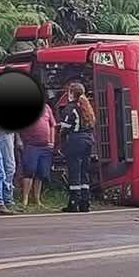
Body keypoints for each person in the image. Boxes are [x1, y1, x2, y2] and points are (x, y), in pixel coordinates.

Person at [57, 81, 95, 213]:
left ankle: (74, 202)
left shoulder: (70, 108)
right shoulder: (87, 107)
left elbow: (64, 128)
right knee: (84, 171)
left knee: (74, 171)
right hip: (88, 140)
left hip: (76, 141)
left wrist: (61, 140)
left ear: (71, 93)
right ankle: (85, 202)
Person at [18, 98, 57, 207]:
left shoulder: (47, 108)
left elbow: (52, 125)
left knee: (41, 173)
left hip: (45, 146)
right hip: (31, 145)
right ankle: (25, 199)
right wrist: (20, 140)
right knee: (29, 172)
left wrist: (52, 141)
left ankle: (37, 199)